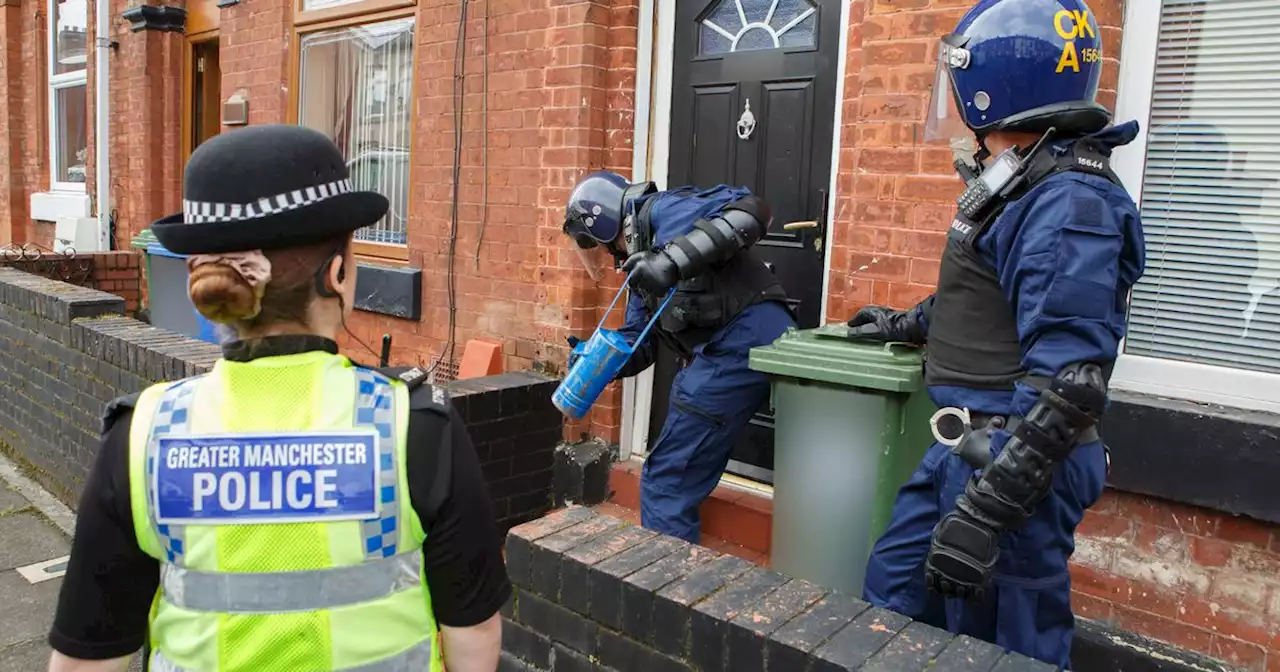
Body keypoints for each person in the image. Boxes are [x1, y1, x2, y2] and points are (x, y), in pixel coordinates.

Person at [47, 125, 510, 672]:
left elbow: (87, 659)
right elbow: (473, 631)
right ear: (338, 275)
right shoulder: (411, 426)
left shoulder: (145, 434)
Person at [850, 0, 1146, 667]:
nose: (953, 110)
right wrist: (902, 325)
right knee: (893, 598)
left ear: (996, 84)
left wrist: (988, 511)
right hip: (967, 444)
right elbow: (988, 299)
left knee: (1006, 648)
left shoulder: (1069, 201)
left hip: (1016, 458)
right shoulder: (1022, 183)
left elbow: (1071, 383)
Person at [562, 176, 795, 543]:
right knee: (682, 466)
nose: (607, 254)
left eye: (601, 244)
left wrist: (671, 261)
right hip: (732, 350)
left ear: (605, 222)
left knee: (667, 479)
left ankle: (664, 586)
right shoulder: (639, 265)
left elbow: (752, 212)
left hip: (741, 342)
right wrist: (597, 362)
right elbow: (640, 340)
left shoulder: (666, 211)